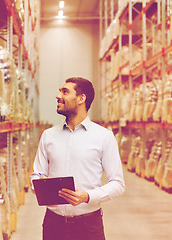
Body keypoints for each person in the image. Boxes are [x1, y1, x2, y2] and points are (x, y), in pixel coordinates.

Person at [31, 77, 125, 240]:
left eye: (65, 92)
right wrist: (42, 186)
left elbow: (118, 184)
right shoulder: (48, 136)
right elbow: (36, 174)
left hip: (88, 226)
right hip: (53, 224)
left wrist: (88, 196)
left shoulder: (104, 137)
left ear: (81, 99)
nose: (58, 96)